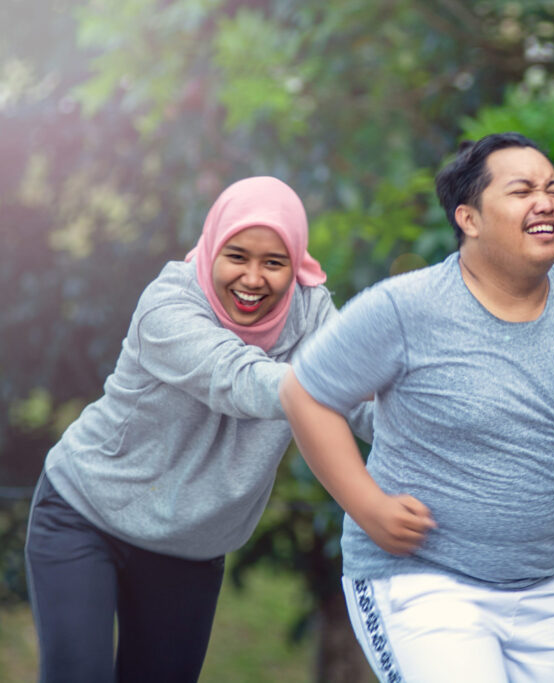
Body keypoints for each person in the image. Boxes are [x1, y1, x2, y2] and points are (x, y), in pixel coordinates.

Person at [280, 132, 554, 682]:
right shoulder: (407, 306)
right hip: (424, 584)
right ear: (469, 219)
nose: (546, 203)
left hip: (545, 590)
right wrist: (367, 506)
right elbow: (304, 392)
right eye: (522, 191)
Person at [24, 176, 371, 683]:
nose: (253, 278)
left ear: (296, 264)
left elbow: (364, 399)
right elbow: (238, 379)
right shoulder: (169, 304)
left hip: (191, 545)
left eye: (274, 263)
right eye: (237, 256)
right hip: (88, 512)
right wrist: (332, 383)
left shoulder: (311, 314)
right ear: (212, 249)